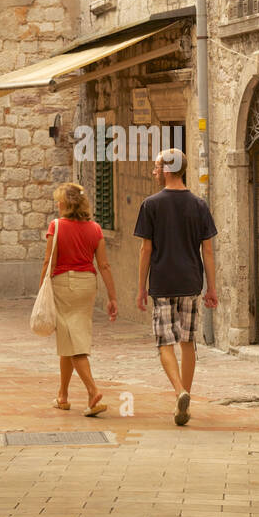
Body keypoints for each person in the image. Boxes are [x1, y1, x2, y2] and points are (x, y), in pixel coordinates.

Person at [134, 148, 218, 425]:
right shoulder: (199, 205)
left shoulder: (151, 205)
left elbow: (146, 250)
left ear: (168, 170)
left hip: (162, 282)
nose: (155, 171)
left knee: (164, 341)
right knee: (188, 340)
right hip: (191, 281)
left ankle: (179, 390)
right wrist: (212, 289)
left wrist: (140, 288)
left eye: (157, 167)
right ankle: (187, 398)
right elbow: (208, 250)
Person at [40, 181, 118, 416]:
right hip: (87, 285)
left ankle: (92, 392)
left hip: (64, 284)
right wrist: (112, 297)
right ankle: (62, 395)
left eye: (58, 200)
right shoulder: (95, 229)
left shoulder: (56, 226)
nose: (57, 204)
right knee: (70, 336)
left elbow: (48, 261)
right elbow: (103, 264)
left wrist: (42, 290)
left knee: (74, 342)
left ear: (63, 204)